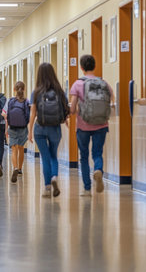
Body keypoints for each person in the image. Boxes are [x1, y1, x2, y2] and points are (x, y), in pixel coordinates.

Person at [70, 55, 113, 196]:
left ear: (81, 68)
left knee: (83, 156)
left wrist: (72, 112)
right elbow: (112, 100)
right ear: (94, 66)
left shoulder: (77, 84)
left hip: (83, 126)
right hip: (101, 124)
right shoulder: (103, 82)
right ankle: (98, 170)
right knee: (97, 152)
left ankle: (87, 189)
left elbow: (72, 108)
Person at [28, 63, 70, 198]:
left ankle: (47, 188)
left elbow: (33, 113)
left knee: (44, 157)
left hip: (40, 127)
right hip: (55, 128)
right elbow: (65, 111)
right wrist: (66, 121)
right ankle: (54, 178)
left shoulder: (36, 92)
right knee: (53, 156)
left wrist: (29, 131)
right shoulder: (59, 91)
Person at [2, 81, 30, 183]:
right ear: (24, 89)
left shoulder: (10, 101)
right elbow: (29, 116)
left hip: (12, 127)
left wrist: (6, 128)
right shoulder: (26, 101)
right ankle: (20, 169)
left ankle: (15, 168)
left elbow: (4, 115)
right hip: (23, 127)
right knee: (21, 148)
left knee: (14, 150)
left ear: (14, 89)